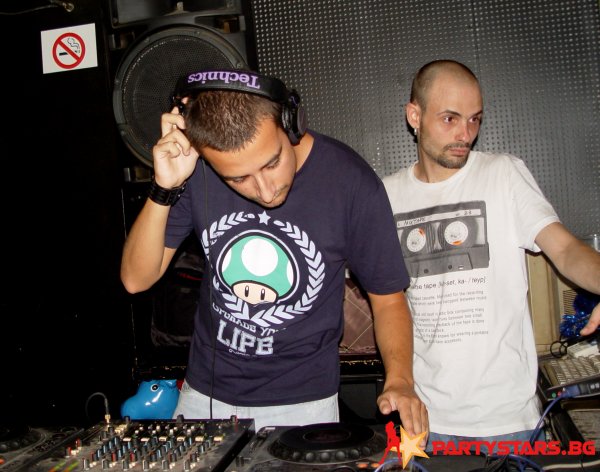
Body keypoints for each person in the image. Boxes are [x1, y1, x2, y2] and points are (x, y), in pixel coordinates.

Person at [120, 68, 428, 437]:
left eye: (271, 163)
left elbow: (388, 299)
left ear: (291, 124)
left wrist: (400, 380)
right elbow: (136, 279)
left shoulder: (350, 182)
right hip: (205, 395)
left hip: (305, 404)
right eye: (238, 179)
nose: (266, 191)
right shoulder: (196, 171)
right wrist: (164, 186)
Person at [382, 59, 600, 451]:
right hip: (425, 423)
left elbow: (566, 249)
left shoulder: (504, 174)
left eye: (474, 120)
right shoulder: (386, 195)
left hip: (507, 423)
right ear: (414, 115)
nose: (465, 134)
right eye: (450, 118)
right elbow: (382, 298)